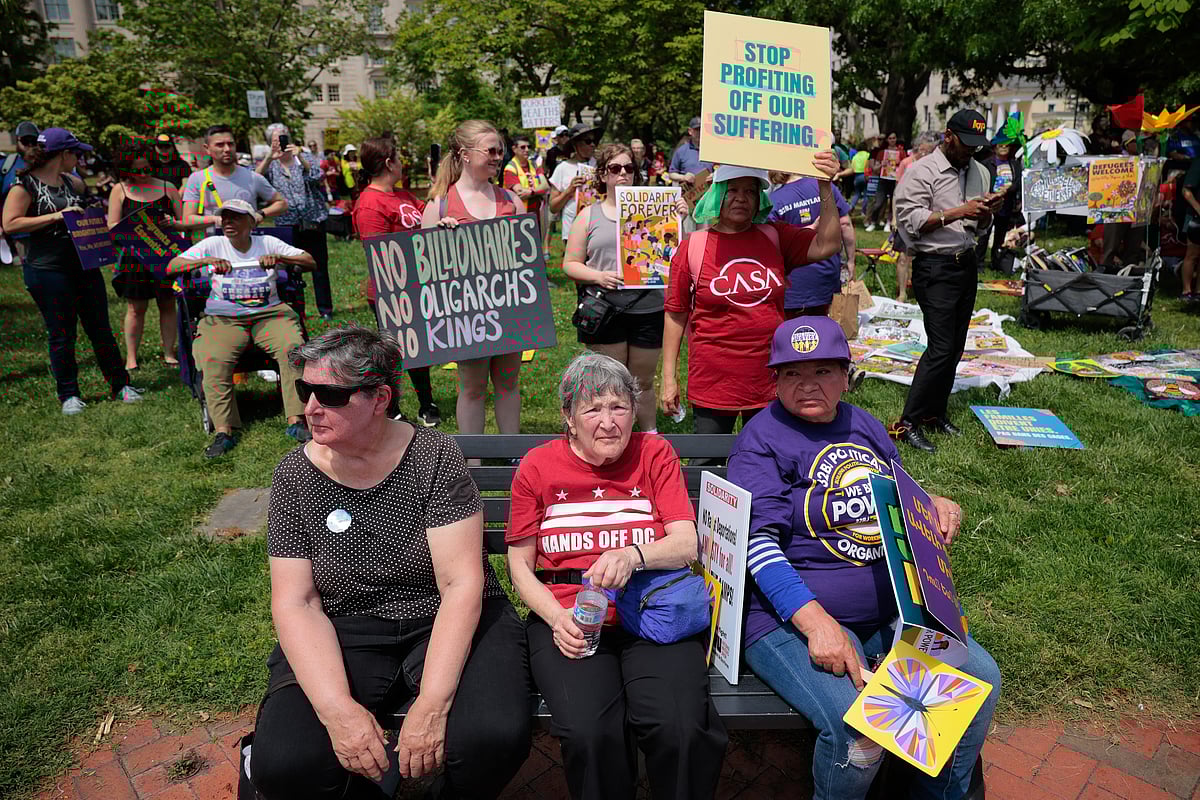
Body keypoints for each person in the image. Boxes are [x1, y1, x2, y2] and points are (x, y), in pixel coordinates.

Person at [249, 325, 531, 800]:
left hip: (444, 613)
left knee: (492, 737)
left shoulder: (433, 456)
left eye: (331, 395)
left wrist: (434, 704)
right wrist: (338, 709)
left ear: (380, 398)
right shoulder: (295, 473)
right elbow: (296, 602)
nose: (311, 407)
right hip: (346, 622)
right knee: (286, 762)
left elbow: (462, 583)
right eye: (305, 390)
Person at [727, 315, 1000, 800]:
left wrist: (932, 502)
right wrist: (817, 625)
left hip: (892, 610)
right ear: (775, 381)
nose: (808, 384)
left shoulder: (863, 424)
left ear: (847, 375)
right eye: (792, 373)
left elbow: (900, 492)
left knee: (978, 679)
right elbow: (757, 545)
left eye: (823, 371)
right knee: (859, 728)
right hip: (789, 616)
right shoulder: (762, 438)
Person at [506, 352, 728, 800]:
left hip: (652, 614)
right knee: (590, 733)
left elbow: (687, 543)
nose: (608, 422)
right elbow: (518, 567)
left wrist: (634, 554)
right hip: (571, 617)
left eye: (619, 407)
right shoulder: (536, 467)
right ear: (568, 417)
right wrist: (556, 619)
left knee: (681, 728)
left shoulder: (653, 451)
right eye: (592, 409)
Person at [659, 156, 843, 437]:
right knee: (708, 463)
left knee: (768, 458)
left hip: (769, 379)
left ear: (760, 199)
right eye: (732, 190)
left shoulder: (776, 237)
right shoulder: (692, 247)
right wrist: (668, 378)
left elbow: (827, 244)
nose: (741, 198)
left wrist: (825, 187)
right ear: (717, 195)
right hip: (713, 383)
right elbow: (675, 313)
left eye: (750, 191)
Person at [3, 127, 145, 415]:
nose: (79, 158)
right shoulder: (24, 186)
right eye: (75, 152)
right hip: (47, 269)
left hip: (84, 264)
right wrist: (56, 215)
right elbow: (10, 224)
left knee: (100, 329)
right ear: (62, 154)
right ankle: (69, 394)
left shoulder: (73, 182)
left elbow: (89, 207)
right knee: (61, 332)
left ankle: (120, 385)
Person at [166, 199, 315, 457]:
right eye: (224, 218)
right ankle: (224, 430)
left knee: (292, 347)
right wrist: (206, 261)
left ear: (251, 222)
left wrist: (279, 258)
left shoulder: (266, 242)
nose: (228, 223)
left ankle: (296, 420)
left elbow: (309, 260)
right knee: (213, 356)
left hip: (269, 314)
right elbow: (172, 267)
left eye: (235, 218)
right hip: (223, 317)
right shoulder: (213, 244)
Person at [892, 109, 1002, 453]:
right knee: (940, 348)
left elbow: (978, 225)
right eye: (966, 144)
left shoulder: (980, 171)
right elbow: (910, 222)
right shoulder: (921, 171)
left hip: (966, 263)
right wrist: (959, 211)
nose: (971, 151)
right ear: (948, 136)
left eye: (977, 146)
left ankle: (934, 413)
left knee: (954, 347)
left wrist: (984, 217)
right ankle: (907, 422)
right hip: (935, 267)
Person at [423, 120, 527, 436]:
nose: (498, 157)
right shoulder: (440, 203)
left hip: (508, 306)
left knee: (509, 382)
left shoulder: (512, 200)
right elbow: (424, 266)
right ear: (465, 154)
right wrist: (440, 241)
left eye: (501, 151)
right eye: (491, 151)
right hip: (467, 310)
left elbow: (528, 258)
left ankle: (512, 454)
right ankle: (474, 460)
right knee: (472, 387)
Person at [563, 143, 664, 432]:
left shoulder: (656, 212)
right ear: (603, 175)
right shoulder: (588, 215)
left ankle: (649, 439)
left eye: (629, 168)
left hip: (649, 308)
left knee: (642, 381)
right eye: (615, 169)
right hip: (606, 309)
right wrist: (597, 276)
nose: (623, 174)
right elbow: (570, 263)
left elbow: (672, 254)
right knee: (611, 383)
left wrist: (679, 217)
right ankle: (610, 437)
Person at [352, 136, 443, 426]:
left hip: (418, 286)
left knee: (420, 348)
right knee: (394, 352)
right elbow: (378, 255)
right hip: (389, 291)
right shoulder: (369, 204)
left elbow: (428, 215)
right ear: (389, 162)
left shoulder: (402, 195)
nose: (403, 163)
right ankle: (392, 408)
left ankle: (426, 402)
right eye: (400, 157)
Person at [106, 140, 194, 371]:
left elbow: (186, 223)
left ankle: (169, 352)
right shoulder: (120, 190)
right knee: (136, 308)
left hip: (166, 257)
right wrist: (128, 229)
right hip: (134, 259)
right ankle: (131, 358)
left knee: (167, 304)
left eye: (147, 169)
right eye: (136, 170)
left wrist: (173, 223)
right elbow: (112, 225)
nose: (143, 174)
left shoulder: (167, 187)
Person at [259, 122, 335, 321]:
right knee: (291, 267)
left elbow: (317, 176)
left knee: (319, 266)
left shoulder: (304, 157)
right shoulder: (270, 163)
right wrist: (269, 156)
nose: (281, 141)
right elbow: (254, 179)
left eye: (284, 136)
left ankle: (325, 309)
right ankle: (296, 309)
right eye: (276, 139)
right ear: (270, 142)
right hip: (287, 222)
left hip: (312, 219)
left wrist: (299, 156)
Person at [768, 171, 856, 316]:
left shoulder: (773, 200)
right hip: (827, 280)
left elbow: (771, 242)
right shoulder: (825, 187)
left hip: (794, 288)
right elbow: (845, 224)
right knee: (826, 332)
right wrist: (851, 261)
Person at [183, 124, 287, 235]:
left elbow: (282, 203)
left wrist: (261, 213)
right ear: (207, 149)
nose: (227, 149)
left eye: (230, 144)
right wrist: (214, 219)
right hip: (214, 246)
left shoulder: (252, 177)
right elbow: (188, 219)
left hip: (248, 245)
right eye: (220, 145)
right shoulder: (197, 179)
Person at [975, 139, 1024, 274]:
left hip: (1007, 205)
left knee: (1000, 236)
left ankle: (996, 262)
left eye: (1006, 146)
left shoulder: (1014, 164)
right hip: (990, 203)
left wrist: (1007, 190)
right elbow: (982, 181)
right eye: (1000, 146)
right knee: (984, 235)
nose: (1003, 148)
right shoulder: (986, 164)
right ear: (995, 148)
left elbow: (1018, 182)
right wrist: (993, 193)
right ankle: (978, 263)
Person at [549, 124, 598, 246]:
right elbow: (553, 207)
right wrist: (569, 190)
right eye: (588, 141)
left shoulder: (601, 166)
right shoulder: (562, 168)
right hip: (572, 229)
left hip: (597, 228)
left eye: (594, 141)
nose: (592, 144)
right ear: (576, 145)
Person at [2, 121, 41, 262]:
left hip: (44, 232)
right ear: (17, 141)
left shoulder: (46, 164)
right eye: (25, 141)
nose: (30, 145)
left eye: (34, 141)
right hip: (17, 236)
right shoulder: (6, 165)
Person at [502, 135, 549, 233]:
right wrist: (538, 191)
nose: (527, 150)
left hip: (538, 214)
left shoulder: (534, 164)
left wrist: (531, 192)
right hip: (520, 216)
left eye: (528, 147)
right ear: (514, 149)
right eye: (523, 147)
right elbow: (520, 194)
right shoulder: (510, 168)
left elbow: (545, 186)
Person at [864, 132, 907, 232]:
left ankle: (888, 222)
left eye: (894, 138)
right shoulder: (882, 152)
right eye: (890, 138)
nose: (892, 140)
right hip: (883, 180)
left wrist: (899, 164)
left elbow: (905, 165)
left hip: (895, 180)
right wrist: (881, 165)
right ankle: (873, 222)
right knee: (878, 202)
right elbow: (875, 168)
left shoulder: (901, 152)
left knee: (892, 203)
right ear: (887, 140)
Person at [666, 116, 713, 189]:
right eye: (697, 129)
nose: (700, 132)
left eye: (702, 129)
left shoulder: (712, 149)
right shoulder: (681, 151)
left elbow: (722, 169)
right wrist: (683, 177)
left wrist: (715, 175)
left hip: (710, 194)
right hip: (690, 196)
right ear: (690, 131)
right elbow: (671, 174)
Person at [1180, 153, 1200, 299]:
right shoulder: (1198, 163)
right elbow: (1186, 191)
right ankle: (1186, 291)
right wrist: (1198, 209)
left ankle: (1199, 291)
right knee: (1192, 255)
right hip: (1195, 217)